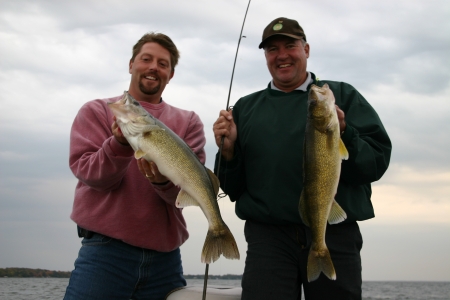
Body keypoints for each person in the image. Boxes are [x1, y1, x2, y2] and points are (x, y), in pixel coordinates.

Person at [213, 17, 391, 300]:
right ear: (265, 56)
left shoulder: (342, 95)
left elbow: (376, 163)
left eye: (290, 46)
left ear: (306, 49)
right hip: (267, 240)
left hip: (334, 235)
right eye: (272, 49)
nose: (282, 55)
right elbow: (231, 188)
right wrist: (228, 152)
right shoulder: (245, 108)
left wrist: (347, 133)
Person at [64, 32, 206, 300]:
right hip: (105, 253)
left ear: (170, 74)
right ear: (131, 65)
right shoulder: (96, 111)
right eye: (146, 59)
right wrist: (118, 142)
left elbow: (183, 194)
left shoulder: (189, 122)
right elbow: (92, 176)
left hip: (166, 258)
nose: (154, 67)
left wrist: (162, 183)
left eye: (163, 64)